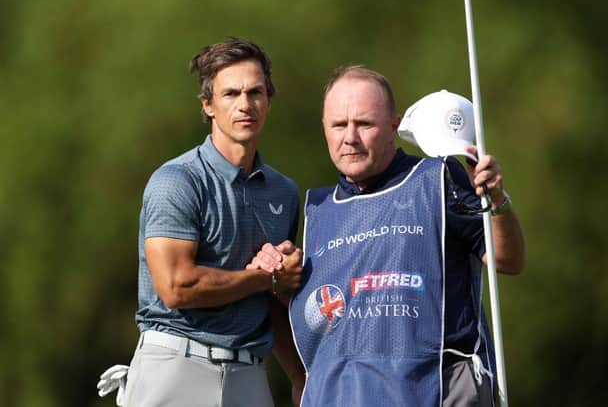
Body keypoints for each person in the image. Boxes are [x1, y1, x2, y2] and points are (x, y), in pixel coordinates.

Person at [262, 66, 526, 406]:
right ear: (325, 129)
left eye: (365, 124)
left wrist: (498, 202)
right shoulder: (319, 209)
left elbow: (508, 260)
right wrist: (276, 279)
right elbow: (318, 315)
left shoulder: (438, 178)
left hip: (436, 391)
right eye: (339, 125)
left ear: (392, 127)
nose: (350, 137)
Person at [98, 38, 305, 407]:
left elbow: (273, 300)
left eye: (256, 92)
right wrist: (265, 277)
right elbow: (178, 286)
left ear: (269, 100)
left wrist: (299, 376)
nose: (245, 104)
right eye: (231, 93)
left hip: (248, 372)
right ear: (208, 105)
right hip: (176, 365)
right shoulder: (177, 180)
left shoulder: (283, 192)